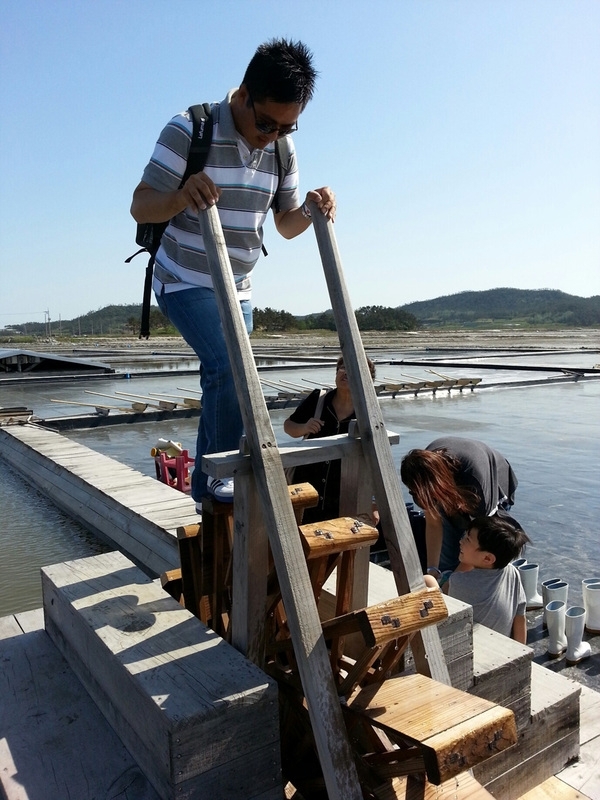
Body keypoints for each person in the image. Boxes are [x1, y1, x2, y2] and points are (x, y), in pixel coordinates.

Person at [130, 39, 336, 510]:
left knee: (228, 376)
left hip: (238, 284)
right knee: (229, 366)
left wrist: (310, 208)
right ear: (242, 95)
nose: (273, 135)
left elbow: (285, 225)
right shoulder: (189, 129)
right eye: (266, 123)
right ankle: (218, 478)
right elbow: (140, 204)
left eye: (288, 125)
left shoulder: (283, 148)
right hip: (184, 276)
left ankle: (210, 482)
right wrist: (182, 195)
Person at [400, 436, 521, 576]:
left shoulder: (476, 482)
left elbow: (477, 541)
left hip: (491, 481)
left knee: (483, 557)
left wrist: (452, 583)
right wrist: (432, 569)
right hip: (448, 485)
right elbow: (433, 523)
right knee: (448, 558)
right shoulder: (421, 468)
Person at [283, 357, 377, 524]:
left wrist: (373, 502)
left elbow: (376, 460)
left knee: (337, 543)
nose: (346, 372)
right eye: (342, 368)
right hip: (305, 490)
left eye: (353, 369)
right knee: (300, 541)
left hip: (343, 494)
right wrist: (305, 427)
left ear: (366, 380)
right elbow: (288, 426)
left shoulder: (368, 412)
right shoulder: (318, 399)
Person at [425, 516, 530, 643]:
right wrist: (521, 650)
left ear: (487, 559)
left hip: (468, 648)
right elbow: (520, 617)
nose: (461, 541)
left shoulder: (459, 582)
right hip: (500, 645)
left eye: (468, 539)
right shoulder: (513, 572)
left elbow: (445, 617)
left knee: (428, 580)